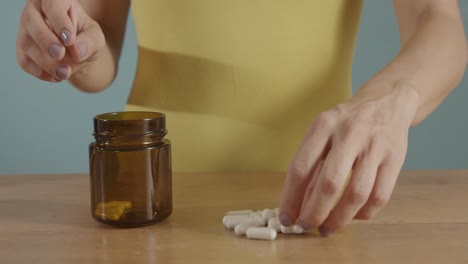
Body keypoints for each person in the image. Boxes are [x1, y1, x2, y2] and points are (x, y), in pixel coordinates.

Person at [16, 0, 467, 236]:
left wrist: (391, 99)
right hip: (152, 194)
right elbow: (101, 44)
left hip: (319, 194)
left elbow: (437, 18)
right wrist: (71, 44)